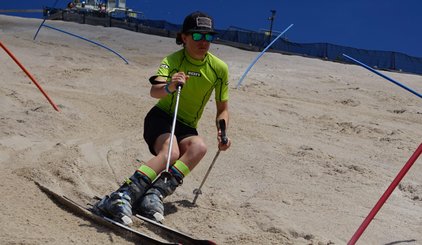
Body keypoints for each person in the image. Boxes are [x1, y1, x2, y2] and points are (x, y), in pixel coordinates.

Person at [94, 11, 231, 225]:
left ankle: (153, 196)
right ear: (184, 37)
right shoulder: (172, 61)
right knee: (171, 152)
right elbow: (154, 91)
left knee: (199, 147)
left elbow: (222, 108)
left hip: (186, 126)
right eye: (196, 36)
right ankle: (122, 195)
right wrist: (170, 86)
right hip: (162, 118)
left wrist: (223, 133)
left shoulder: (219, 68)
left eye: (208, 37)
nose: (203, 42)